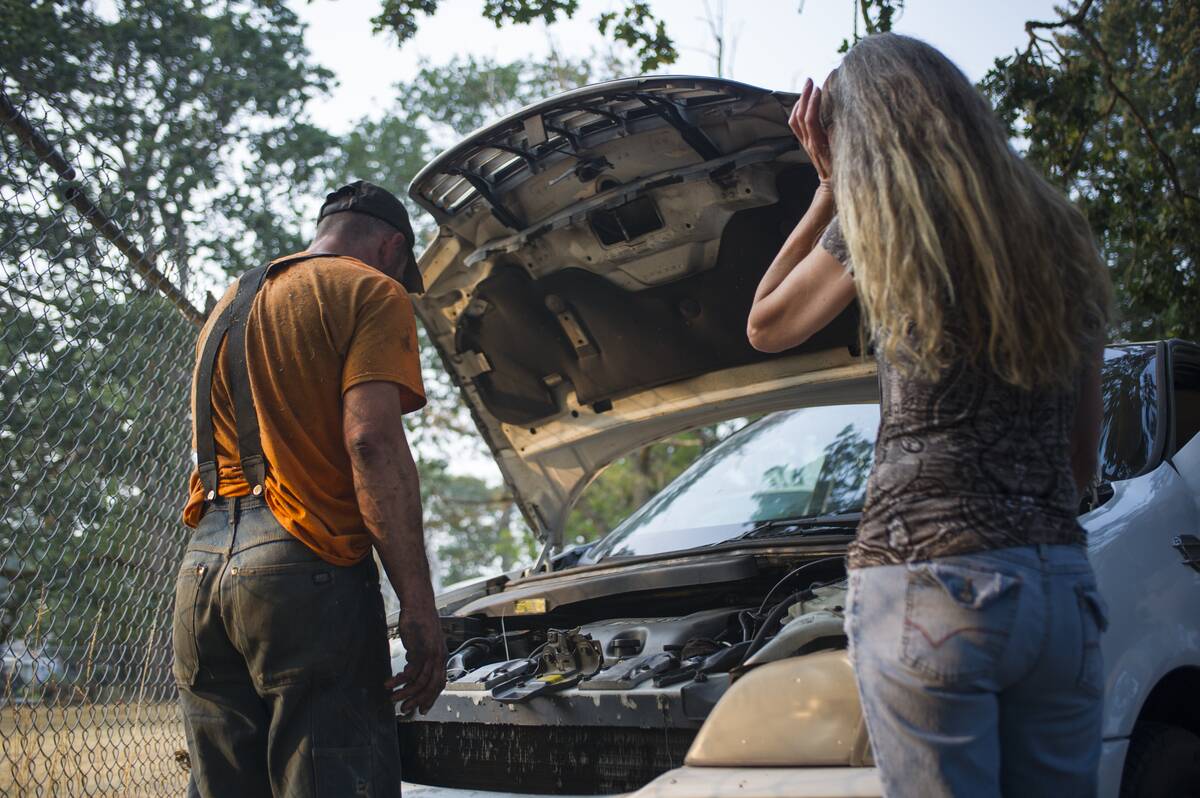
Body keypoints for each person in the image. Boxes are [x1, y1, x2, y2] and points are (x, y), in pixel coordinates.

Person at [747, 34, 1113, 797]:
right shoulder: (1062, 232)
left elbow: (767, 325)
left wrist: (828, 191)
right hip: (1059, 588)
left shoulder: (885, 222)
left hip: (932, 583)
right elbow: (1081, 463)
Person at [174, 180, 447, 797]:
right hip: (303, 572)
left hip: (202, 575)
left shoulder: (229, 302)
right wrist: (419, 605)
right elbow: (370, 445)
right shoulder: (371, 289)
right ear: (392, 247)